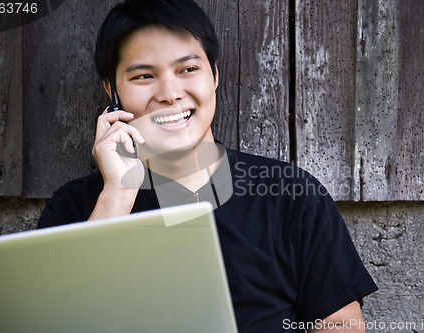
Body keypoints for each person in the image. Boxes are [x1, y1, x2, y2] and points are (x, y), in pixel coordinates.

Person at [38, 0, 378, 331]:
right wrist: (118, 192)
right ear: (112, 92)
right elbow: (53, 322)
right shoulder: (74, 208)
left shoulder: (290, 195)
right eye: (144, 76)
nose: (170, 93)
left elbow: (340, 325)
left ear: (214, 75)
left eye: (188, 69)